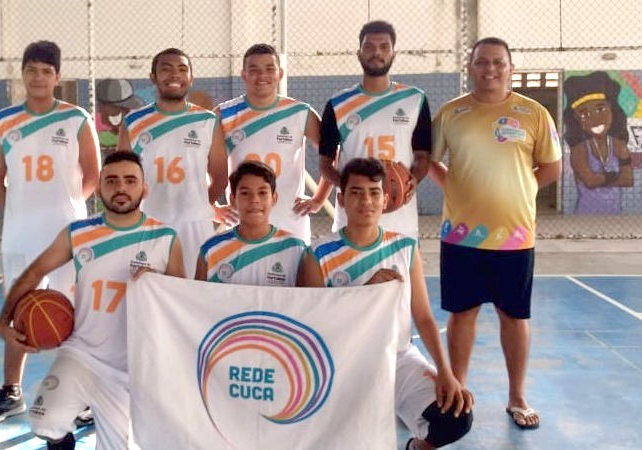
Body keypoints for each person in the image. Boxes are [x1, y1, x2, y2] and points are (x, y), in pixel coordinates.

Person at [0, 151, 185, 449]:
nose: (121, 187)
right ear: (99, 189)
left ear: (144, 189)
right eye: (111, 181)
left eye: (130, 180)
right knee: (45, 421)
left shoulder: (165, 238)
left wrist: (157, 284)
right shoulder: (79, 233)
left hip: (132, 368)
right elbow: (35, 272)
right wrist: (3, 321)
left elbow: (180, 304)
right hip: (81, 354)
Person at [430, 37, 562, 430]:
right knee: (462, 314)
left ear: (511, 69)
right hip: (461, 237)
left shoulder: (534, 113)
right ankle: (457, 392)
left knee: (514, 316)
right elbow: (429, 161)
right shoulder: (451, 113)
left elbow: (552, 167)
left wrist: (522, 187)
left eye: (498, 62)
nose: (490, 69)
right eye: (482, 62)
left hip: (515, 237)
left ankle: (517, 396)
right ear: (470, 67)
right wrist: (453, 186)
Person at [302, 158, 473, 450]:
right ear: (341, 200)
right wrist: (367, 291)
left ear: (386, 199)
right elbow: (313, 324)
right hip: (340, 362)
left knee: (456, 415)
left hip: (398, 357)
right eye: (356, 192)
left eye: (374, 192)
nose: (366, 201)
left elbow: (423, 317)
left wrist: (446, 372)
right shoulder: (318, 254)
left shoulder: (405, 247)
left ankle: (417, 446)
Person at [0, 40, 101, 426]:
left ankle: (79, 393)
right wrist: (19, 211)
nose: (38, 77)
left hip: (67, 232)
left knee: (73, 311)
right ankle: (10, 391)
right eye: (31, 70)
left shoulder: (76, 117)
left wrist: (67, 208)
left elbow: (93, 175)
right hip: (20, 234)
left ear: (57, 77)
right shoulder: (3, 121)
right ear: (22, 74)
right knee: (19, 309)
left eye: (46, 71)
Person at [118, 47, 228, 278]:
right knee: (149, 288)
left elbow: (220, 176)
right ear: (153, 77)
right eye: (166, 69)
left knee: (196, 288)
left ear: (191, 78)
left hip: (195, 224)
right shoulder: (133, 122)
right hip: (149, 223)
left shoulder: (207, 121)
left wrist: (200, 204)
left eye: (182, 69)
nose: (175, 74)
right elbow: (122, 176)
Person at [319, 20, 431, 239]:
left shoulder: (415, 99)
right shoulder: (338, 104)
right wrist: (350, 186)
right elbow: (325, 163)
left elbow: (423, 156)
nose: (377, 53)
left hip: (401, 220)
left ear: (393, 54)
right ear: (359, 53)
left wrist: (411, 181)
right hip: (351, 218)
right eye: (369, 47)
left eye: (384, 47)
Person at [214, 43, 332, 244]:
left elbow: (332, 155)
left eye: (269, 68)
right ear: (243, 74)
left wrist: (319, 199)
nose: (262, 75)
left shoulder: (300, 112)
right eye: (254, 69)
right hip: (243, 220)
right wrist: (213, 208)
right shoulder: (223, 114)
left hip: (290, 221)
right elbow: (197, 161)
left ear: (280, 73)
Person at [195, 160, 307, 285]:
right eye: (245, 193)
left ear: (274, 199)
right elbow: (197, 296)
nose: (254, 200)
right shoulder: (211, 250)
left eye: (262, 193)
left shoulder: (296, 249)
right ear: (233, 200)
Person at [563, 71, 634, 214]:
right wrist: (615, 176)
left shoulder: (619, 145)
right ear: (576, 120)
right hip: (585, 216)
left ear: (612, 110)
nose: (595, 119)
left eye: (600, 109)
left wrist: (602, 178)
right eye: (584, 113)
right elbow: (590, 182)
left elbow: (628, 180)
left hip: (616, 215)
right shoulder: (579, 150)